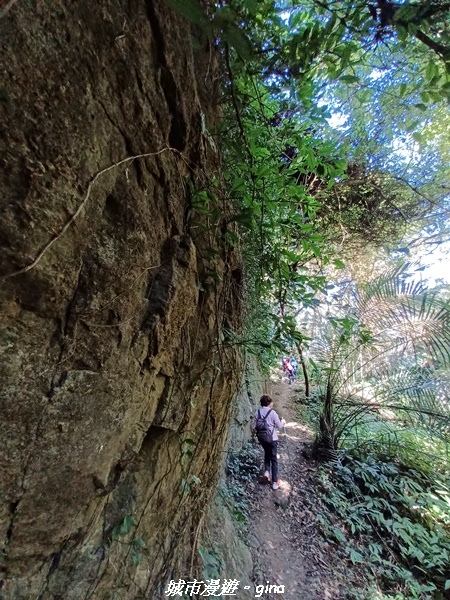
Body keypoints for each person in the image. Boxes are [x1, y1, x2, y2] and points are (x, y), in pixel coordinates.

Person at [253, 395, 286, 490]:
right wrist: (283, 422)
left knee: (267, 454)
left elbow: (254, 426)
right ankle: (275, 482)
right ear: (268, 403)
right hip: (272, 439)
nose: (272, 403)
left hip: (262, 439)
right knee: (274, 459)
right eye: (271, 402)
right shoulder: (272, 413)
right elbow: (279, 425)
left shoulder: (257, 412)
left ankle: (267, 473)